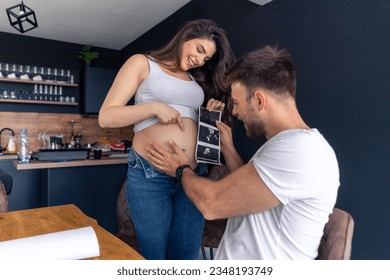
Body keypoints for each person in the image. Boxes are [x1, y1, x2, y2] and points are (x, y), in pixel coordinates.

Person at [146, 45, 340, 260]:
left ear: (259, 100)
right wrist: (228, 148)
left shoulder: (301, 151)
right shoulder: (289, 145)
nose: (235, 112)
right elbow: (251, 193)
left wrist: (181, 168)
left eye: (236, 103)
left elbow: (212, 204)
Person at [99, 19, 235, 260]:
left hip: (192, 176)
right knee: (156, 258)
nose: (199, 60)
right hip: (151, 175)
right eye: (199, 50)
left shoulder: (195, 82)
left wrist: (209, 116)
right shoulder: (143, 63)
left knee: (186, 258)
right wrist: (154, 108)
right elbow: (106, 117)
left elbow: (190, 124)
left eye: (205, 59)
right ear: (185, 37)